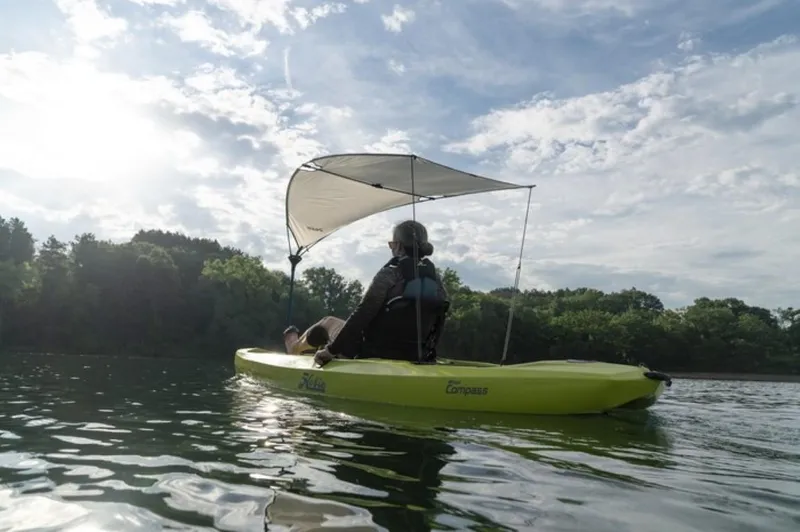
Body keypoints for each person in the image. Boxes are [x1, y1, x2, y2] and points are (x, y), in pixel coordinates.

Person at [283, 219, 449, 366]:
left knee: (327, 322)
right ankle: (303, 349)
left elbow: (362, 315)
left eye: (391, 245)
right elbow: (440, 320)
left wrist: (331, 351)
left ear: (398, 246)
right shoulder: (436, 280)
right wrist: (428, 356)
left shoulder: (390, 274)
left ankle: (294, 348)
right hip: (416, 356)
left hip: (370, 353)